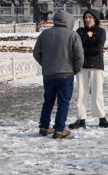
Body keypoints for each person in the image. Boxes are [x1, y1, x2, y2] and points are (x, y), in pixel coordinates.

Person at [33, 10, 84, 139]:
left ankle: (44, 127)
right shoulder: (72, 35)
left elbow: (36, 53)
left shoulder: (45, 34)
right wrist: (75, 69)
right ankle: (59, 129)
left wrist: (46, 64)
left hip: (49, 75)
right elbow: (79, 56)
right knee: (63, 102)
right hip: (66, 74)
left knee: (48, 101)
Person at [68, 9, 108, 130]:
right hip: (83, 66)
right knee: (81, 93)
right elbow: (77, 48)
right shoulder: (80, 31)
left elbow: (98, 49)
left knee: (97, 92)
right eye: (86, 17)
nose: (87, 19)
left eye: (90, 17)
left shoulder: (101, 31)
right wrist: (88, 37)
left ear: (95, 19)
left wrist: (88, 42)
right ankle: (81, 119)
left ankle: (101, 118)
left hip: (97, 66)